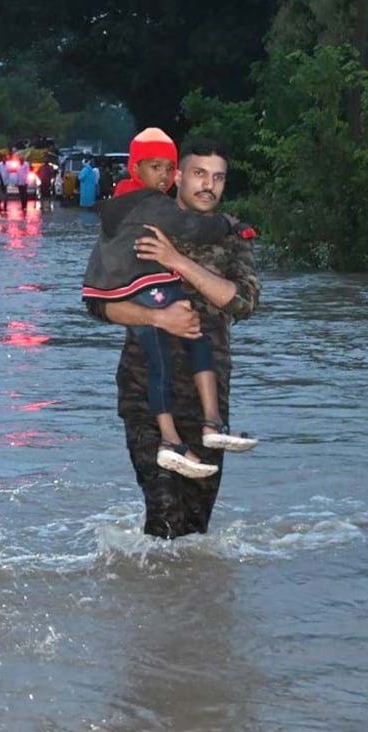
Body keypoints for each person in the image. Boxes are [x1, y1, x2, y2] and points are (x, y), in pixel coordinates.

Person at [83, 137, 262, 539]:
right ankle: (149, 596)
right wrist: (157, 317)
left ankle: (191, 600)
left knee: (196, 527)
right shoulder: (137, 221)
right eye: (199, 174)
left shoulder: (231, 233)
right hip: (145, 389)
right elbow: (97, 303)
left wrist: (176, 261)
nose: (208, 186)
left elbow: (244, 301)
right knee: (164, 516)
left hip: (207, 398)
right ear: (177, 176)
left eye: (218, 178)